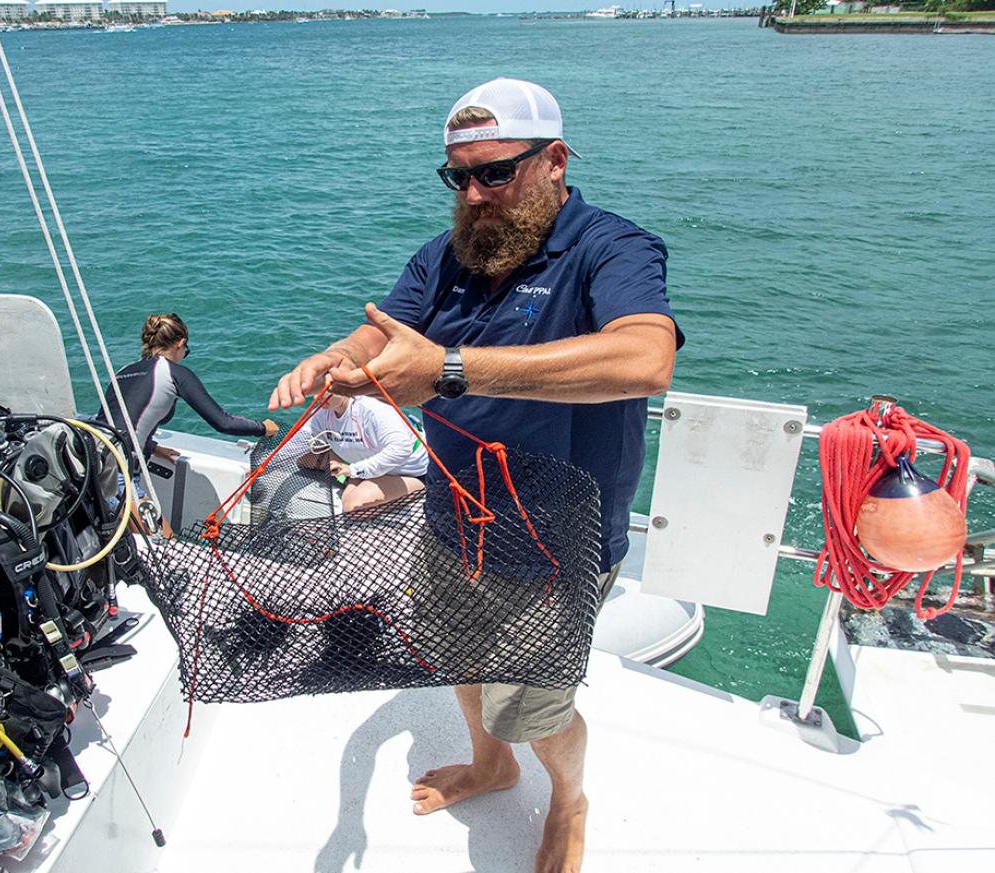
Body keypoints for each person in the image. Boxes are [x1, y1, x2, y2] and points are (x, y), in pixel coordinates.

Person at [268, 77, 683, 873]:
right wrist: (336, 359)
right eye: (458, 176)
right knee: (459, 656)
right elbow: (382, 333)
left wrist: (451, 368)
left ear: (555, 161)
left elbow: (646, 357)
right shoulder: (445, 257)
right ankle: (492, 766)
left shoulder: (610, 247)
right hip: (453, 515)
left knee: (533, 706)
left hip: (556, 535)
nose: (475, 193)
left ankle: (569, 799)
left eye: (496, 172)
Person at [101, 312, 278, 472]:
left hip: (91, 453)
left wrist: (151, 447)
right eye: (186, 351)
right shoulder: (174, 373)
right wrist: (262, 428)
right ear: (181, 343)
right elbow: (223, 422)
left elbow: (122, 420)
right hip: (117, 467)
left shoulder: (124, 371)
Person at [293, 393, 429, 512]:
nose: (317, 397)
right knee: (304, 460)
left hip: (406, 471)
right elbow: (295, 445)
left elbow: (401, 449)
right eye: (314, 390)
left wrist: (354, 470)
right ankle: (360, 478)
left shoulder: (372, 408)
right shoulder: (323, 413)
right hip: (363, 463)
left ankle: (424, 486)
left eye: (325, 389)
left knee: (352, 506)